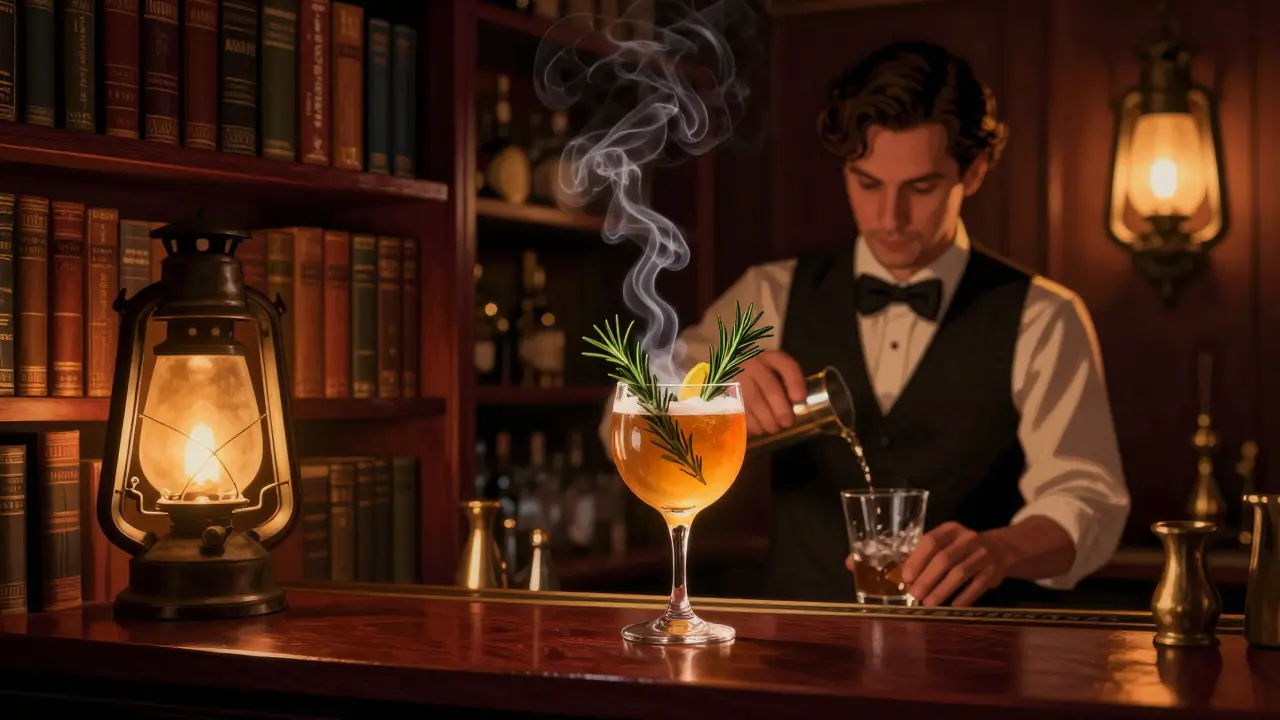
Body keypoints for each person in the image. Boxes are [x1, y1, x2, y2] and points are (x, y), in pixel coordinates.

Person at [599, 40, 1130, 608]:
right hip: (799, 645)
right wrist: (717, 393)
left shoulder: (1044, 316)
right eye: (867, 183)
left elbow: (1087, 499)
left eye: (921, 188)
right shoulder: (770, 294)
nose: (889, 217)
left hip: (978, 659)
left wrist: (1000, 550)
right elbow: (620, 427)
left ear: (972, 173)